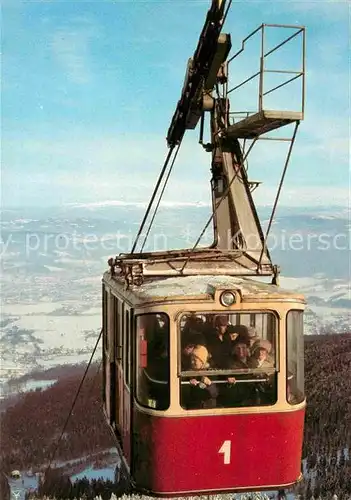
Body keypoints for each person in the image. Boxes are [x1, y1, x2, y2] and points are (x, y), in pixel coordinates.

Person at [181, 345, 218, 409]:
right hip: (193, 408)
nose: (192, 362)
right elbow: (183, 395)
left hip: (209, 408)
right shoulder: (187, 373)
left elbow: (215, 394)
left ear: (202, 361)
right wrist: (189, 385)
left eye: (195, 360)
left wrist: (210, 384)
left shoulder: (211, 373)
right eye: (191, 359)